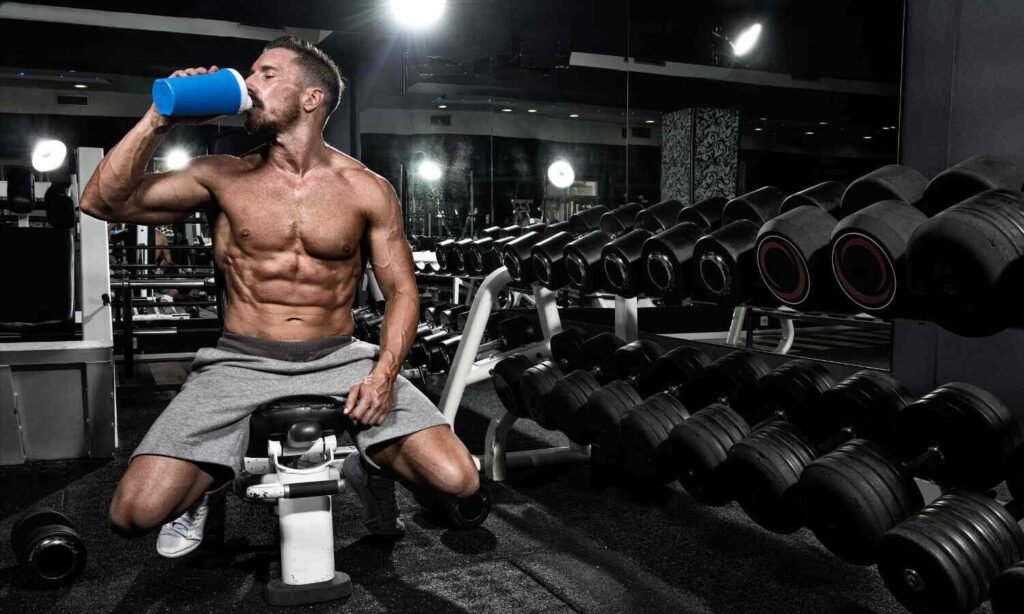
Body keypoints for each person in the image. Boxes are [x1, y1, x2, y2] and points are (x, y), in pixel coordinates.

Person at [80, 35, 480, 558]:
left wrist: (383, 377)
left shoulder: (366, 189)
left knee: (457, 480)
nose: (249, 83)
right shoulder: (222, 176)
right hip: (239, 359)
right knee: (132, 514)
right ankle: (209, 482)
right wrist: (160, 117)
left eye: (267, 74)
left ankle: (371, 464)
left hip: (340, 355)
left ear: (311, 99)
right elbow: (100, 202)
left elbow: (403, 293)